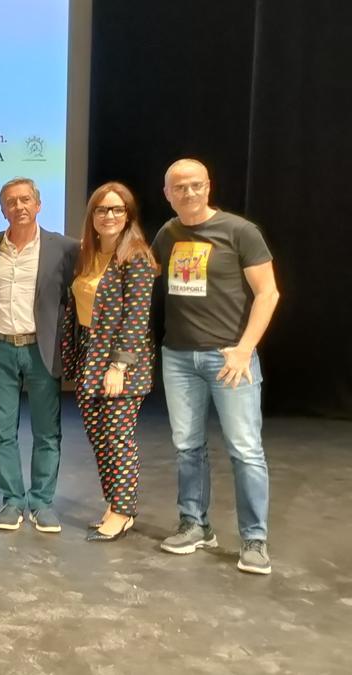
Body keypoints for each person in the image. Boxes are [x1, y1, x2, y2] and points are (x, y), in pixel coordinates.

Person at [152, 158, 279, 574]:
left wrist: (244, 350)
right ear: (167, 193)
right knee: (187, 447)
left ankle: (255, 540)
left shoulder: (240, 232)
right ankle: (195, 525)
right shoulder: (166, 235)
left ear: (208, 186)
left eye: (195, 185)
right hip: (178, 357)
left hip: (230, 359)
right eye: (179, 187)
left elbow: (268, 294)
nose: (188, 193)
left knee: (246, 450)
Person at [0, 177, 78, 533]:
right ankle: (12, 500)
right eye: (10, 202)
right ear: (2, 209)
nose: (18, 207)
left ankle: (42, 502)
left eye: (25, 200)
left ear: (38, 204)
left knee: (46, 431)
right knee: (2, 431)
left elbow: (74, 299)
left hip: (41, 348)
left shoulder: (65, 248)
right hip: (0, 348)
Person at [60, 183, 157, 542]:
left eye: (117, 210)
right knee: (99, 437)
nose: (109, 216)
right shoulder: (87, 254)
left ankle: (123, 510)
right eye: (102, 210)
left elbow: (135, 317)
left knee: (118, 438)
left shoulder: (137, 257)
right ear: (92, 216)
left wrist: (119, 366)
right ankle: (115, 505)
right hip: (90, 355)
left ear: (128, 214)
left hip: (120, 363)